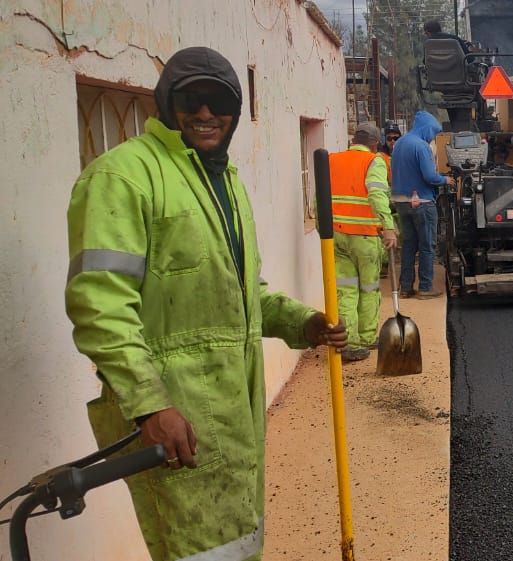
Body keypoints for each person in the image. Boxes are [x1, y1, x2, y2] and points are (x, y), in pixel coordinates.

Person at [64, 46, 347, 561]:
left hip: (234, 409)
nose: (204, 114)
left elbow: (240, 295)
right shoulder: (124, 176)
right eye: (190, 100)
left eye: (218, 102)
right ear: (164, 105)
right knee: (198, 550)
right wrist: (150, 404)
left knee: (238, 542)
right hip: (176, 415)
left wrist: (302, 322)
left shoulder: (225, 182)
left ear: (236, 112)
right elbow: (99, 306)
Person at [330, 122, 397, 362]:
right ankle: (367, 338)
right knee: (368, 288)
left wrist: (323, 230)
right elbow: (377, 194)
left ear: (352, 140)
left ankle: (349, 343)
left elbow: (319, 198)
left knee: (345, 289)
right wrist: (388, 228)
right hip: (365, 236)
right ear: (375, 144)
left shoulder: (332, 160)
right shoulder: (374, 162)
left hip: (337, 236)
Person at [391, 110, 454, 298]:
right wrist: (445, 180)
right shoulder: (421, 146)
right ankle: (425, 287)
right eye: (433, 132)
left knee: (409, 245)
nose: (432, 136)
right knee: (427, 246)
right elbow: (429, 176)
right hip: (422, 202)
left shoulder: (400, 144)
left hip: (401, 202)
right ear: (426, 128)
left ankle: (405, 287)